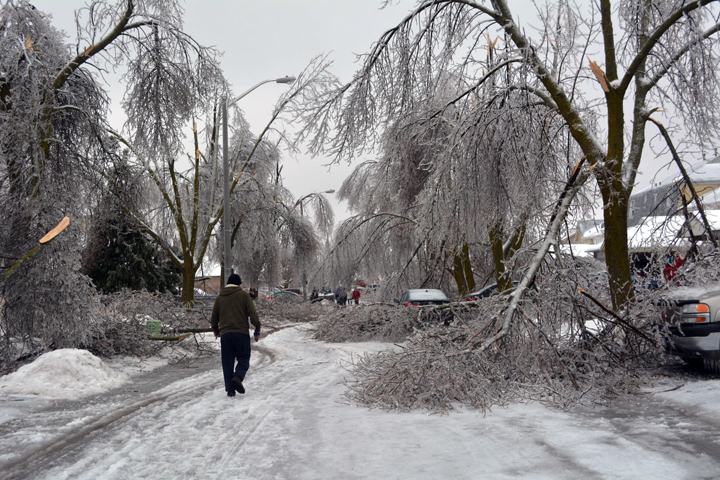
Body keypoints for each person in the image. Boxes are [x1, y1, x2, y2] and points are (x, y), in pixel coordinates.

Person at [210, 273, 261, 397]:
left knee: (227, 362)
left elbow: (214, 317)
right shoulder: (244, 295)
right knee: (244, 358)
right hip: (241, 333)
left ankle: (230, 390)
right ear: (239, 284)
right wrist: (257, 328)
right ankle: (237, 377)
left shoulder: (220, 297)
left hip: (226, 334)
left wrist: (216, 330)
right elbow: (253, 315)